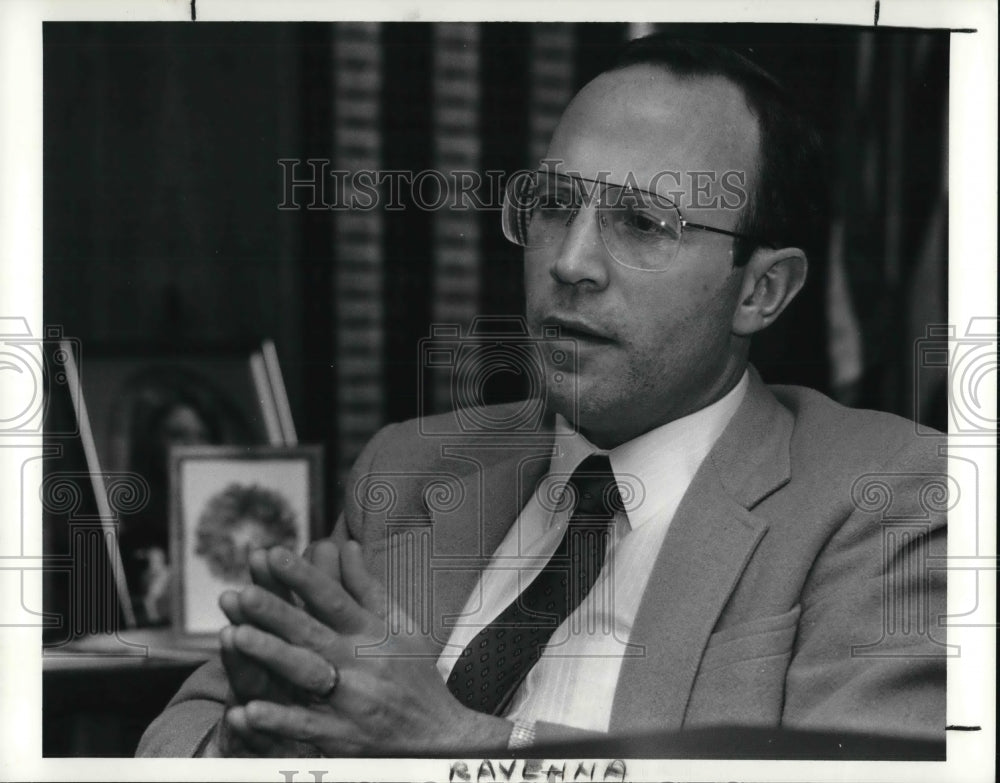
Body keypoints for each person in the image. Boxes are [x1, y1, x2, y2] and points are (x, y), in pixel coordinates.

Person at [136, 36, 946, 757]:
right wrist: (256, 740)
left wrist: (461, 742)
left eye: (642, 223)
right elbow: (179, 732)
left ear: (762, 291)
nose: (571, 263)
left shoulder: (888, 497)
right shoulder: (413, 466)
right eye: (555, 207)